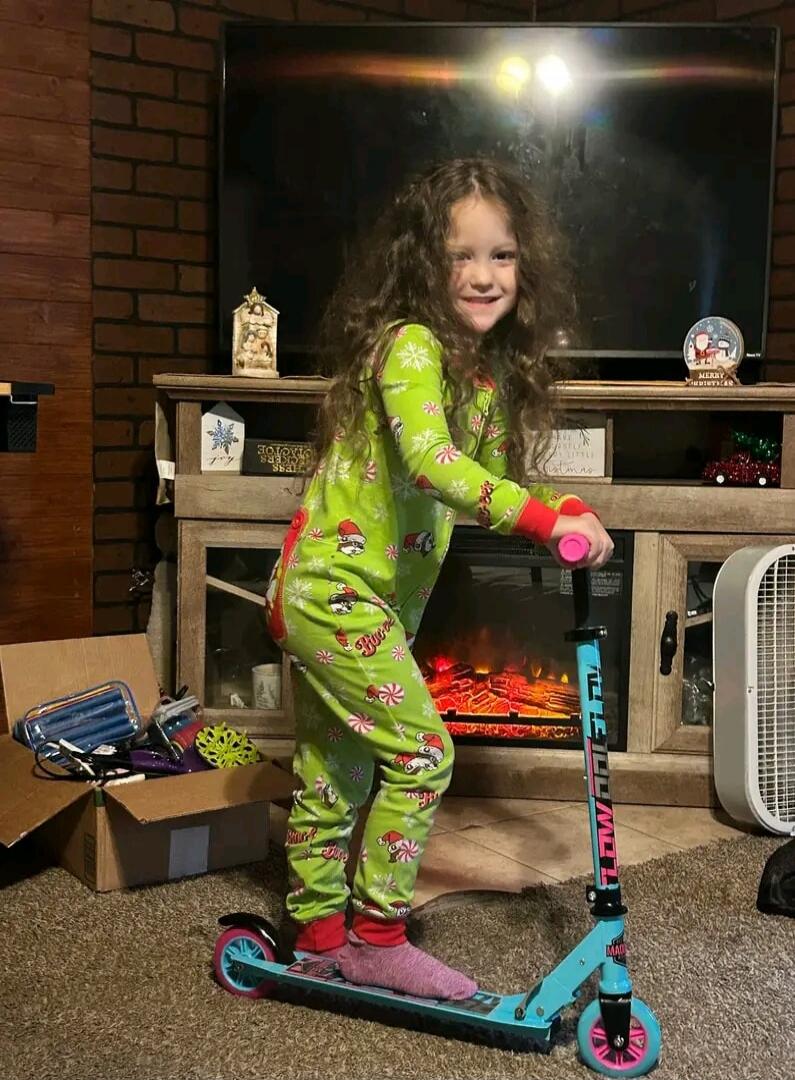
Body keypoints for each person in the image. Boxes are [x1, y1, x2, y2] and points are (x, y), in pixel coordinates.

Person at [264, 158, 614, 1001]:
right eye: (463, 256)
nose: (484, 276)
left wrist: (561, 503)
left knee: (334, 772)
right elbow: (433, 466)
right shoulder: (410, 347)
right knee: (424, 753)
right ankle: (378, 935)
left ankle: (318, 938)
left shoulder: (483, 380)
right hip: (328, 588)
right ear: (425, 263)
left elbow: (490, 474)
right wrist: (538, 521)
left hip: (370, 599)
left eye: (502, 256)